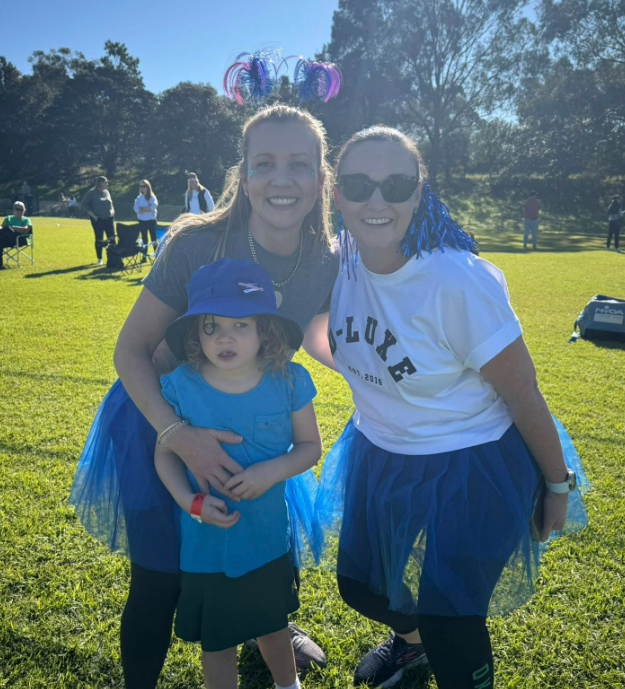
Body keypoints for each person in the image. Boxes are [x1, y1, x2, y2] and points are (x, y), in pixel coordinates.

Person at [70, 103, 338, 688]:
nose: (282, 179)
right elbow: (130, 351)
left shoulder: (327, 257)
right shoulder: (197, 242)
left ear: (322, 179)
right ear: (243, 174)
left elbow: (321, 338)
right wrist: (177, 435)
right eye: (264, 163)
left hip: (251, 423)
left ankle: (269, 621)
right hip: (157, 417)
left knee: (258, 538)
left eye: (300, 164)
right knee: (162, 577)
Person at [314, 126, 588, 689]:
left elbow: (523, 392)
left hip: (471, 463)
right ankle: (410, 649)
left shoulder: (454, 280)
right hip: (380, 452)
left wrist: (557, 486)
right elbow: (319, 330)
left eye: (396, 184)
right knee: (360, 588)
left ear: (419, 193)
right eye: (359, 184)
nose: (377, 200)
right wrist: (368, 372)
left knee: (450, 619)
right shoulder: (336, 262)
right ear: (335, 193)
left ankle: (439, 653)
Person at [154, 258, 321, 689]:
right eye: (210, 326)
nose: (224, 337)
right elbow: (165, 455)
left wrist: (271, 471)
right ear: (195, 332)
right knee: (218, 644)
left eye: (240, 325)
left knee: (272, 626)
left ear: (266, 329)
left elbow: (309, 448)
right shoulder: (179, 385)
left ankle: (289, 686)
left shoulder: (289, 381)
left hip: (266, 540)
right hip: (206, 545)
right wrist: (191, 503)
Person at [81, 176, 115, 265]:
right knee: (99, 238)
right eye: (105, 182)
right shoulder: (92, 193)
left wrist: (112, 211)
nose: (107, 184)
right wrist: (93, 215)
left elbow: (110, 203)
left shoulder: (107, 192)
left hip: (109, 219)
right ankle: (99, 258)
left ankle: (113, 258)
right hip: (98, 219)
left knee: (112, 238)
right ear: (100, 183)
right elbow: (84, 204)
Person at [0, 201, 32, 270]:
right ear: (14, 210)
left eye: (21, 209)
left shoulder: (26, 219)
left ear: (24, 210)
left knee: (7, 229)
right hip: (6, 240)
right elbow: (1, 227)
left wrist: (13, 227)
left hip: (20, 240)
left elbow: (25, 229)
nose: (19, 211)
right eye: (17, 209)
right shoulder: (8, 218)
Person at [133, 179, 159, 256]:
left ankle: (156, 255)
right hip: (142, 221)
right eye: (141, 186)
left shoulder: (152, 197)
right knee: (144, 239)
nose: (142, 188)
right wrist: (146, 208)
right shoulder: (139, 198)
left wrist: (142, 208)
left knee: (153, 239)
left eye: (144, 186)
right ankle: (144, 256)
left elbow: (153, 206)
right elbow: (136, 209)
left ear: (148, 187)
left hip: (151, 221)